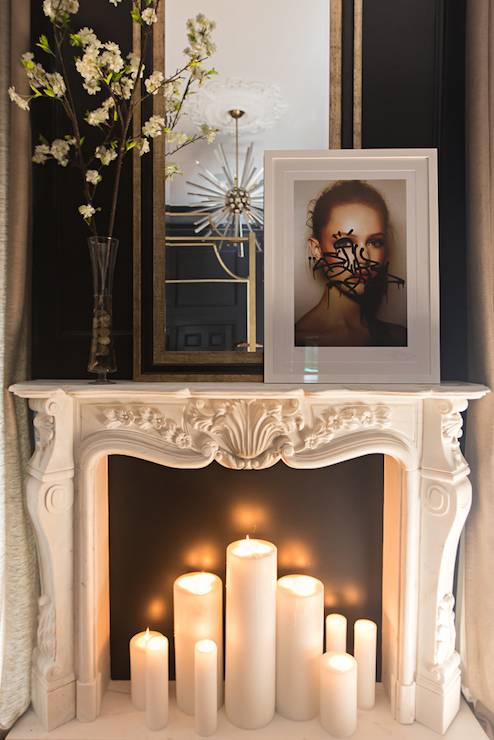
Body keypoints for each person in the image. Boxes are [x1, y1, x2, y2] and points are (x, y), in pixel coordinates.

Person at [295, 180, 406, 347]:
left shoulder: (400, 338)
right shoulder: (298, 343)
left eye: (375, 242)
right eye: (345, 243)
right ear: (317, 249)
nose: (363, 258)